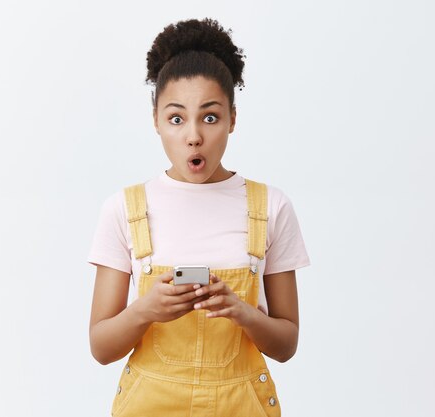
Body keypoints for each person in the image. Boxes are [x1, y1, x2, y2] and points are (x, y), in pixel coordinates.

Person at [88, 18, 310, 417]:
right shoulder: (124, 208)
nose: (193, 136)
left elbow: (286, 344)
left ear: (233, 119)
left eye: (210, 117)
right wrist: (146, 310)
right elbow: (101, 347)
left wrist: (243, 313)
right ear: (156, 120)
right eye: (177, 118)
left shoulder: (271, 207)